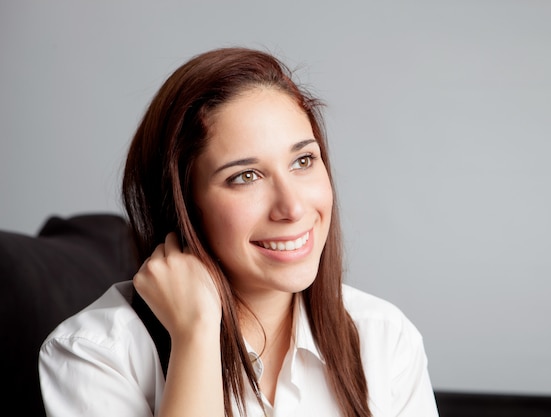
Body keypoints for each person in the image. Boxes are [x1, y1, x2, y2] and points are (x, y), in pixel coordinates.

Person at [39, 47, 439, 417]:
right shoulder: (94, 354)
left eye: (303, 160)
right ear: (181, 202)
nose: (293, 207)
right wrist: (195, 335)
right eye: (246, 176)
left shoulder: (386, 340)